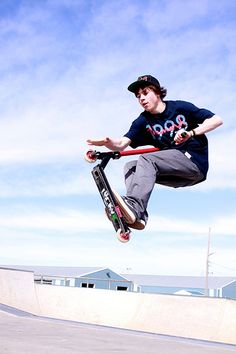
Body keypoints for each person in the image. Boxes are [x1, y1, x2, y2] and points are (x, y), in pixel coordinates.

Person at [87, 75, 223, 237]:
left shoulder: (180, 108)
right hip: (177, 175)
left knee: (147, 158)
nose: (141, 98)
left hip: (193, 162)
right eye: (138, 96)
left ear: (157, 92)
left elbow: (217, 120)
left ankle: (135, 205)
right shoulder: (142, 121)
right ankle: (139, 215)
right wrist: (107, 142)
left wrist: (191, 132)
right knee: (131, 167)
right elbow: (122, 144)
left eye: (145, 92)